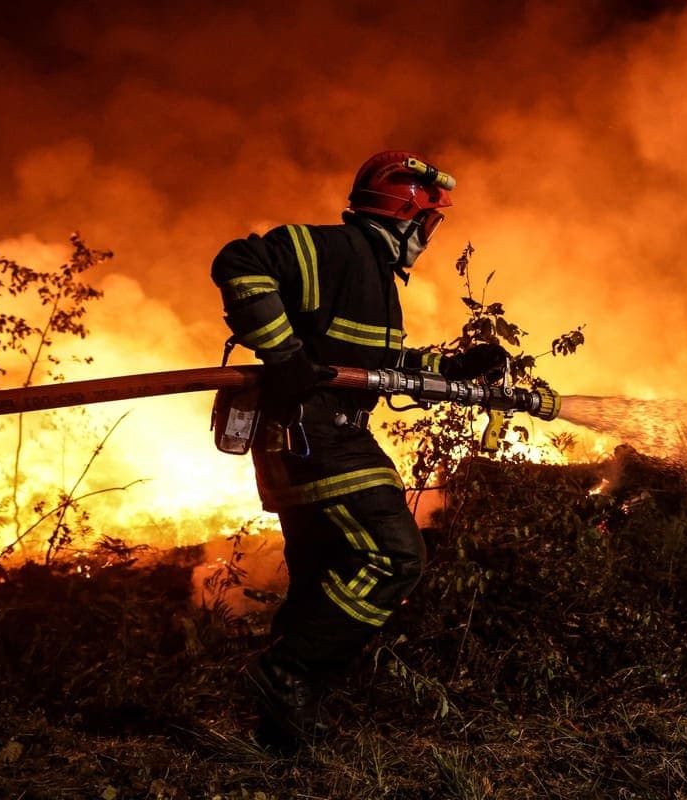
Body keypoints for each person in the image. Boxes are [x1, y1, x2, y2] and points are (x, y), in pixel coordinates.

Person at [210, 150, 507, 746]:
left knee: (321, 575)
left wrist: (451, 367)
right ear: (404, 216)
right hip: (313, 436)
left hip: (318, 435)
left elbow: (373, 366)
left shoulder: (370, 278)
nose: (429, 235)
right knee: (396, 558)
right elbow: (238, 262)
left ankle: (285, 725)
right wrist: (285, 354)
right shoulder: (332, 249)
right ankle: (286, 671)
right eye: (429, 222)